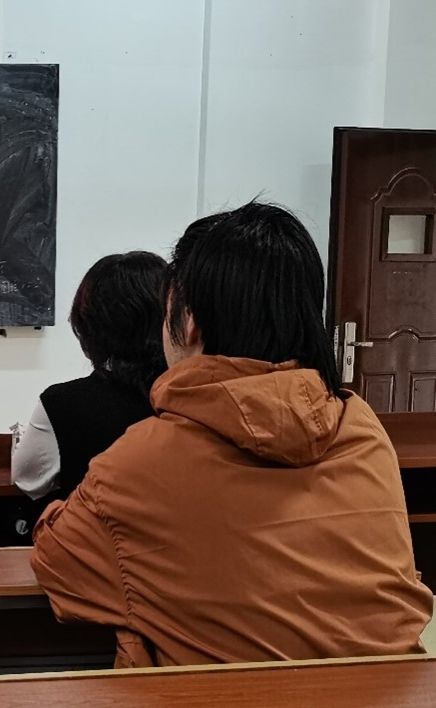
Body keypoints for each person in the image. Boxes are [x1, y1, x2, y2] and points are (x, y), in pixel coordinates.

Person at [30, 202, 433, 668]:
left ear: (188, 322)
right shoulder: (361, 427)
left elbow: (57, 562)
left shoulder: (140, 462)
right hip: (393, 691)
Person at [12, 252, 167, 502]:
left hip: (92, 525)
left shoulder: (63, 403)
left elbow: (28, 481)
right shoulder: (199, 397)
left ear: (88, 325)